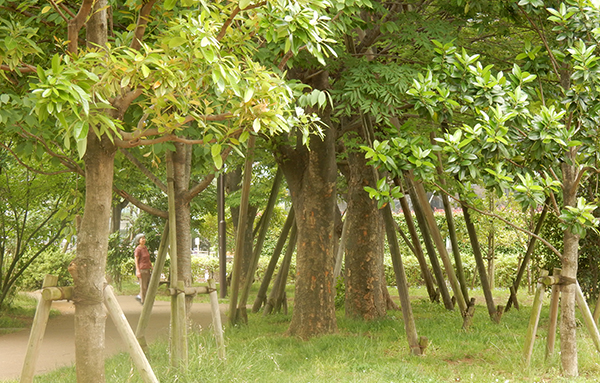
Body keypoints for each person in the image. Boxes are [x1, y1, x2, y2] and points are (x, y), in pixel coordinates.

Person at [134, 234, 152, 304]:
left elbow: (148, 258)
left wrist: (151, 265)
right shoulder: (138, 249)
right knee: (143, 286)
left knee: (148, 285)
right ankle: (143, 301)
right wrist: (137, 270)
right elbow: (136, 260)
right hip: (142, 269)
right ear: (138, 240)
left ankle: (140, 297)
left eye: (144, 238)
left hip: (147, 268)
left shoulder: (145, 248)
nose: (144, 240)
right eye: (142, 239)